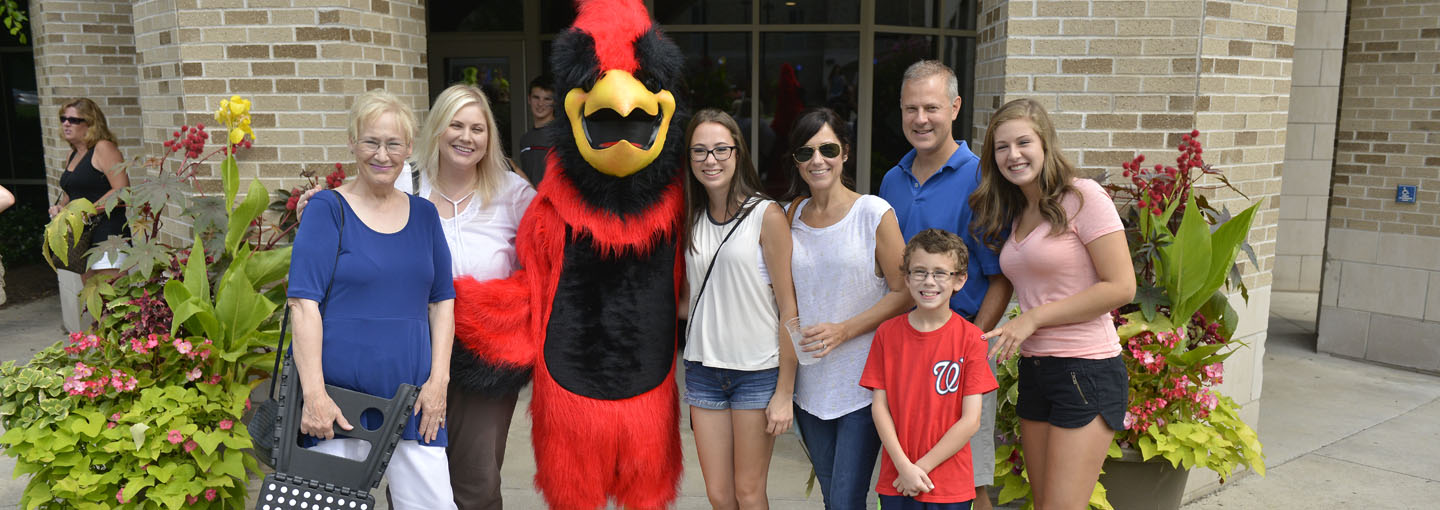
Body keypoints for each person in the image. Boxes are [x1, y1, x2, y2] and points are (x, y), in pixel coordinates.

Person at [286, 89, 459, 509]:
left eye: (393, 143)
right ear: (352, 143)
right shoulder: (328, 210)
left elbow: (442, 303)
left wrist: (438, 382)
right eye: (371, 142)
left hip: (413, 401)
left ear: (409, 149)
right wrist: (314, 396)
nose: (382, 154)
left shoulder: (424, 215)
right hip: (337, 403)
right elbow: (302, 304)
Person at [971, 98, 1135, 509]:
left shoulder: (1083, 196)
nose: (1013, 155)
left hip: (1086, 369)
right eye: (1002, 147)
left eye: (1023, 142)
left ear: (1045, 143)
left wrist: (1033, 319)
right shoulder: (1017, 210)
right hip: (1038, 369)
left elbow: (1121, 287)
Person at [877, 60, 1011, 509]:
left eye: (931, 107)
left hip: (960, 350)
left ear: (955, 107)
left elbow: (999, 276)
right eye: (911, 108)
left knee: (970, 479)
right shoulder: (891, 180)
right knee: (908, 466)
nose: (920, 119)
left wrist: (972, 341)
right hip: (904, 350)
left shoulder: (980, 178)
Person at [784, 107, 910, 510]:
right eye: (805, 153)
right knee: (831, 496)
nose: (817, 160)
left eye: (827, 148)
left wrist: (845, 329)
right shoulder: (791, 215)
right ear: (796, 162)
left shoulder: (873, 213)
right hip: (809, 385)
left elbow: (905, 291)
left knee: (845, 500)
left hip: (863, 385)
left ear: (845, 153)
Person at [681, 108, 797, 510]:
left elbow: (790, 309)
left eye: (719, 149)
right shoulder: (689, 217)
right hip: (703, 369)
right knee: (718, 494)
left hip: (756, 373)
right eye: (699, 151)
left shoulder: (766, 215)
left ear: (737, 152)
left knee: (748, 493)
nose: (710, 160)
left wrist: (785, 390)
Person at [861, 228, 998, 510]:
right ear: (907, 278)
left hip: (950, 484)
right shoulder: (887, 334)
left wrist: (919, 468)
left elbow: (971, 420)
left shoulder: (972, 339)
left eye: (940, 273)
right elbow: (879, 408)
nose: (929, 281)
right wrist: (903, 466)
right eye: (920, 272)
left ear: (959, 280)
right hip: (897, 478)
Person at [50, 98, 129, 282]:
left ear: (91, 124)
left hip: (107, 236)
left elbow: (121, 190)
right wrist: (61, 209)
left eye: (74, 120)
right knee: (93, 301)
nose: (66, 123)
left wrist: (86, 212)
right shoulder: (73, 154)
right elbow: (72, 194)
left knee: (113, 302)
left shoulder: (104, 148)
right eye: (63, 119)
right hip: (83, 238)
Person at [515, 75, 554, 186]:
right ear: (529, 99)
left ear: (554, 102)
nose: (540, 104)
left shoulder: (561, 135)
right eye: (536, 97)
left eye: (547, 99)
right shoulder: (525, 139)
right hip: (531, 201)